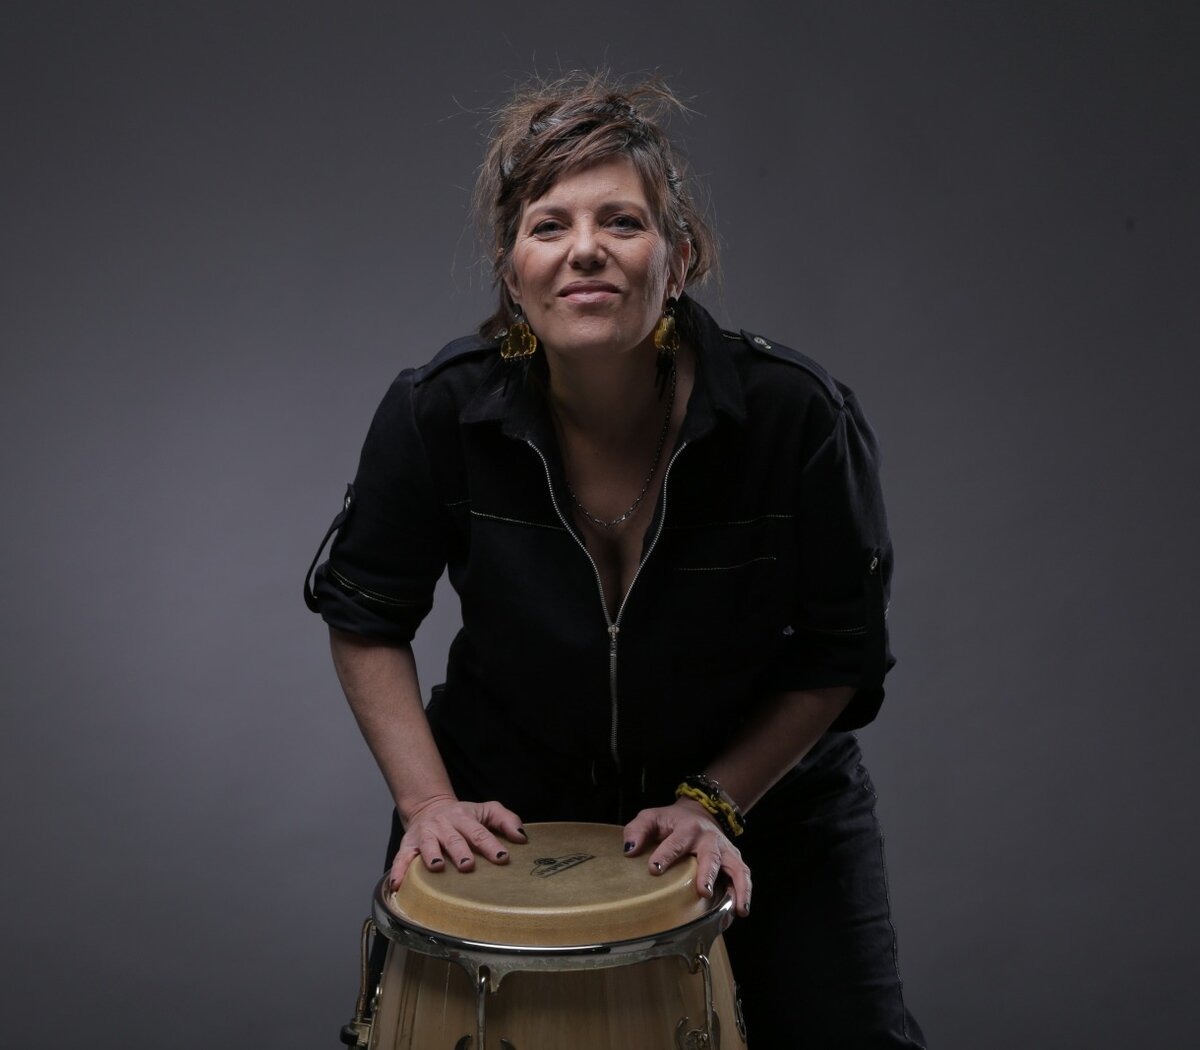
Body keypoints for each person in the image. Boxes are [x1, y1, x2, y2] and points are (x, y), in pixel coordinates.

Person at [305, 72, 926, 1047]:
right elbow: (364, 617)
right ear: (513, 273)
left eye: (622, 222)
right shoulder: (435, 412)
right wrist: (427, 802)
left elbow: (841, 650)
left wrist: (715, 800)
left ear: (680, 259)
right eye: (548, 226)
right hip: (512, 813)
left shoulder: (796, 416)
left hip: (765, 805)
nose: (584, 248)